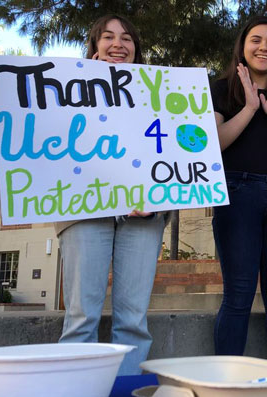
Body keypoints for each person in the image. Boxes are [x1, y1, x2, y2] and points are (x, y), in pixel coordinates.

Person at [56, 14, 166, 375]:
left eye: (127, 38)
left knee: (133, 319)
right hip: (84, 212)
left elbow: (171, 152)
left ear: (137, 49)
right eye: (108, 37)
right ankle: (71, 395)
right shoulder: (64, 88)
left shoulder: (160, 92)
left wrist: (154, 201)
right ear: (94, 46)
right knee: (80, 317)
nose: (118, 44)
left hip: (143, 218)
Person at [210, 16, 267, 363]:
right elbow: (212, 143)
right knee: (238, 294)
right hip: (237, 193)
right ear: (243, 46)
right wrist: (250, 107)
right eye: (256, 40)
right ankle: (226, 382)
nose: (264, 47)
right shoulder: (220, 88)